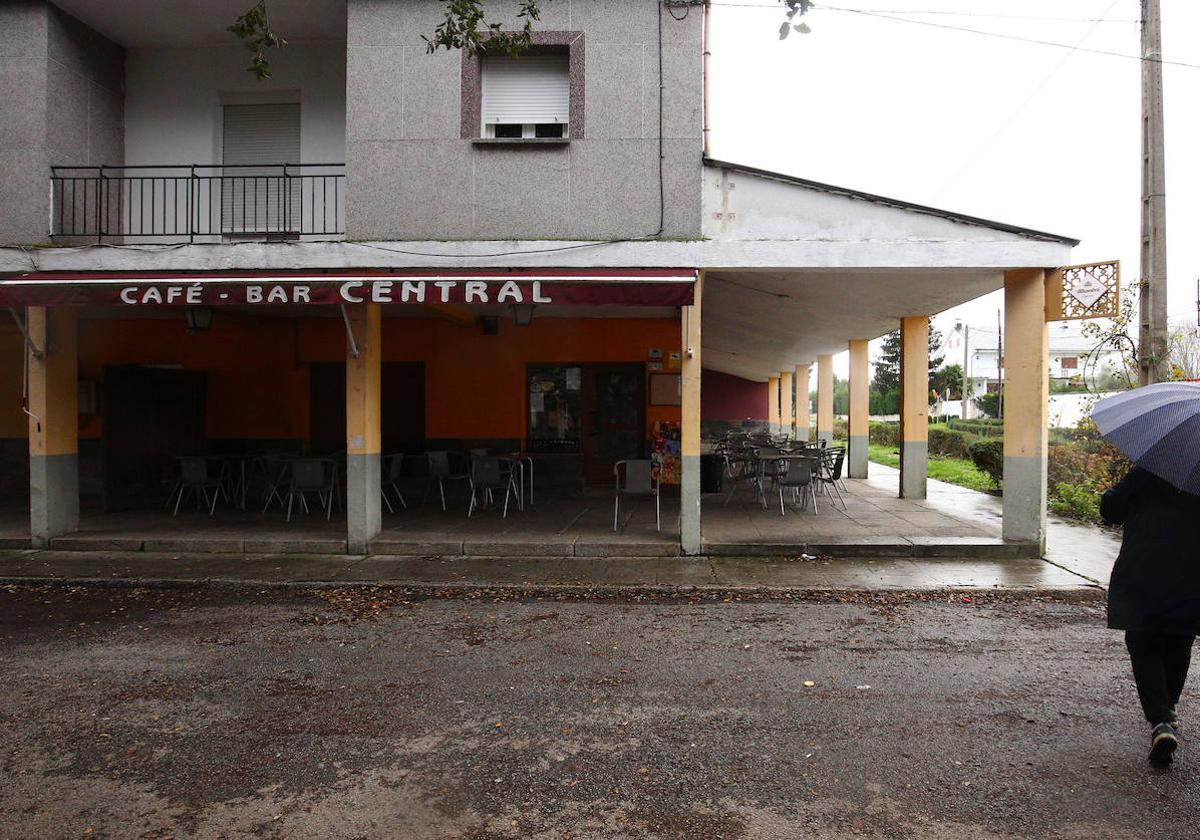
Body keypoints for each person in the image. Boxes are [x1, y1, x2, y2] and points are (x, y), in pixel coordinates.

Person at [1101, 466, 1200, 767]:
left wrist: (1117, 489)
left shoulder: (1150, 468)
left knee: (1143, 641)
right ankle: (1167, 710)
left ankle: (1161, 720)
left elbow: (1111, 509)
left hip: (1145, 567)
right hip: (1192, 570)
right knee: (1180, 638)